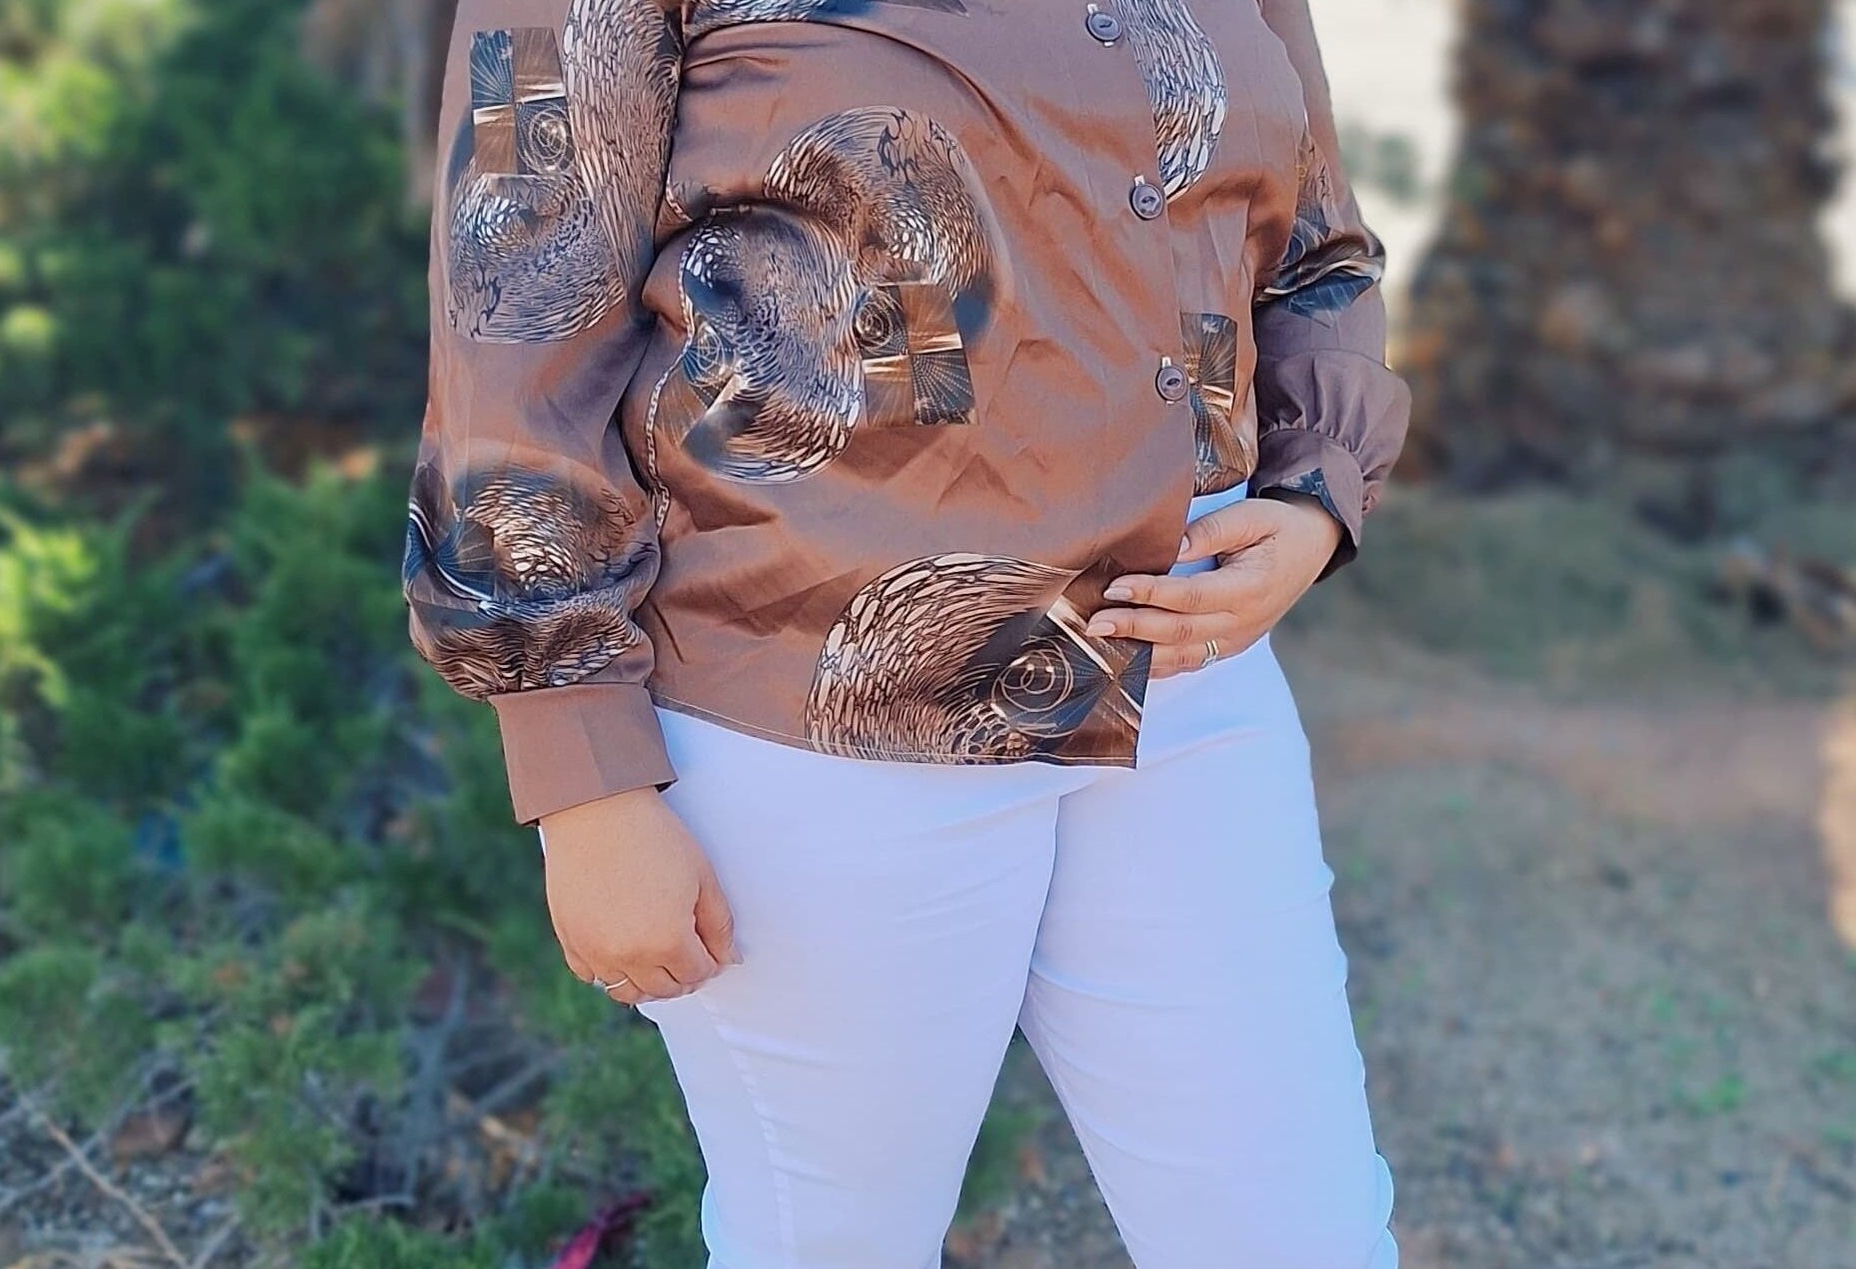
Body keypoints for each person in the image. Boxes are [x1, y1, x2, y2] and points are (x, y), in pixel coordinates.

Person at [403, 0, 1408, 1263]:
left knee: (1299, 1235)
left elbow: (1316, 251)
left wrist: (1317, 491)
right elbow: (515, 330)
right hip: (813, 707)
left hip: (1194, 689)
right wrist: (579, 774)